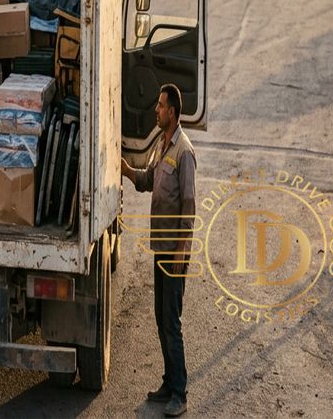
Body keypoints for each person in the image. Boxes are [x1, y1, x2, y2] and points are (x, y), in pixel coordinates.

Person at [121, 83, 197, 418]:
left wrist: (181, 252)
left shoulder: (184, 151)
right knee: (159, 316)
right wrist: (125, 171)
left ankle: (179, 392)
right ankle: (169, 381)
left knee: (171, 320)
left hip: (175, 252)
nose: (156, 109)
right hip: (161, 247)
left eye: (162, 105)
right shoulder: (162, 144)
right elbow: (150, 180)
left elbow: (189, 206)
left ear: (173, 112)